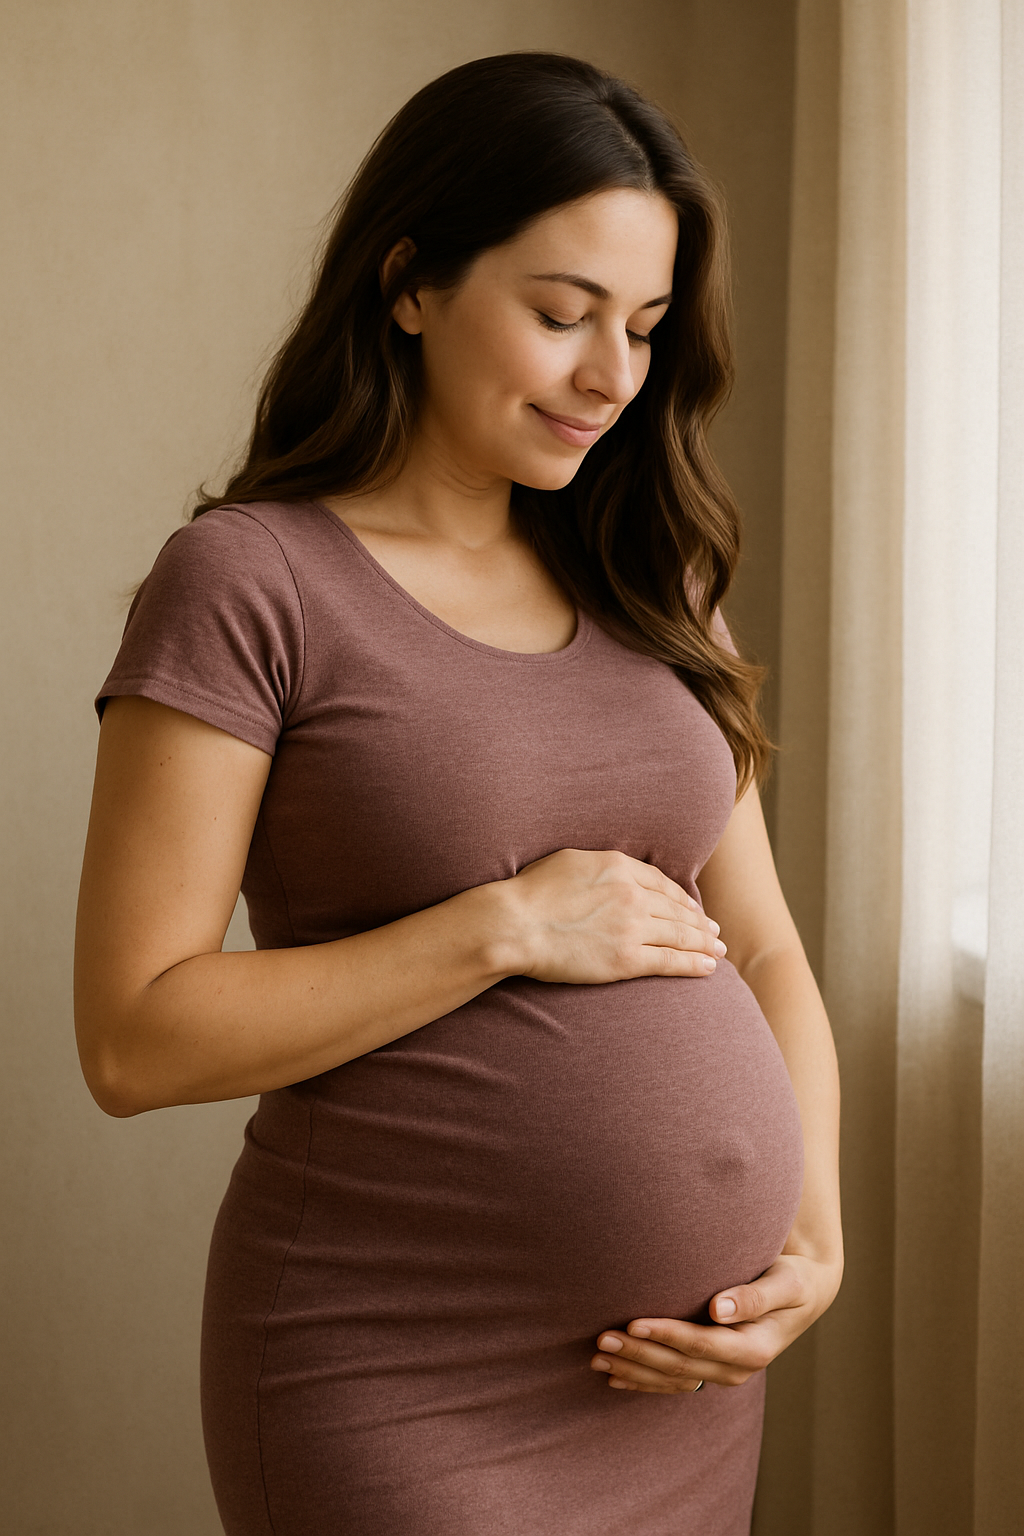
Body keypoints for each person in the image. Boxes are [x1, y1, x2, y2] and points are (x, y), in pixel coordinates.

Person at [74, 51, 843, 1536]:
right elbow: (134, 1034)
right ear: (410, 283)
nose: (613, 376)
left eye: (644, 327)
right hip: (394, 1380)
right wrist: (506, 925)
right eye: (562, 315)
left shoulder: (654, 574)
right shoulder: (251, 581)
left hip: (679, 1391)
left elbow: (760, 945)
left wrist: (813, 1238)